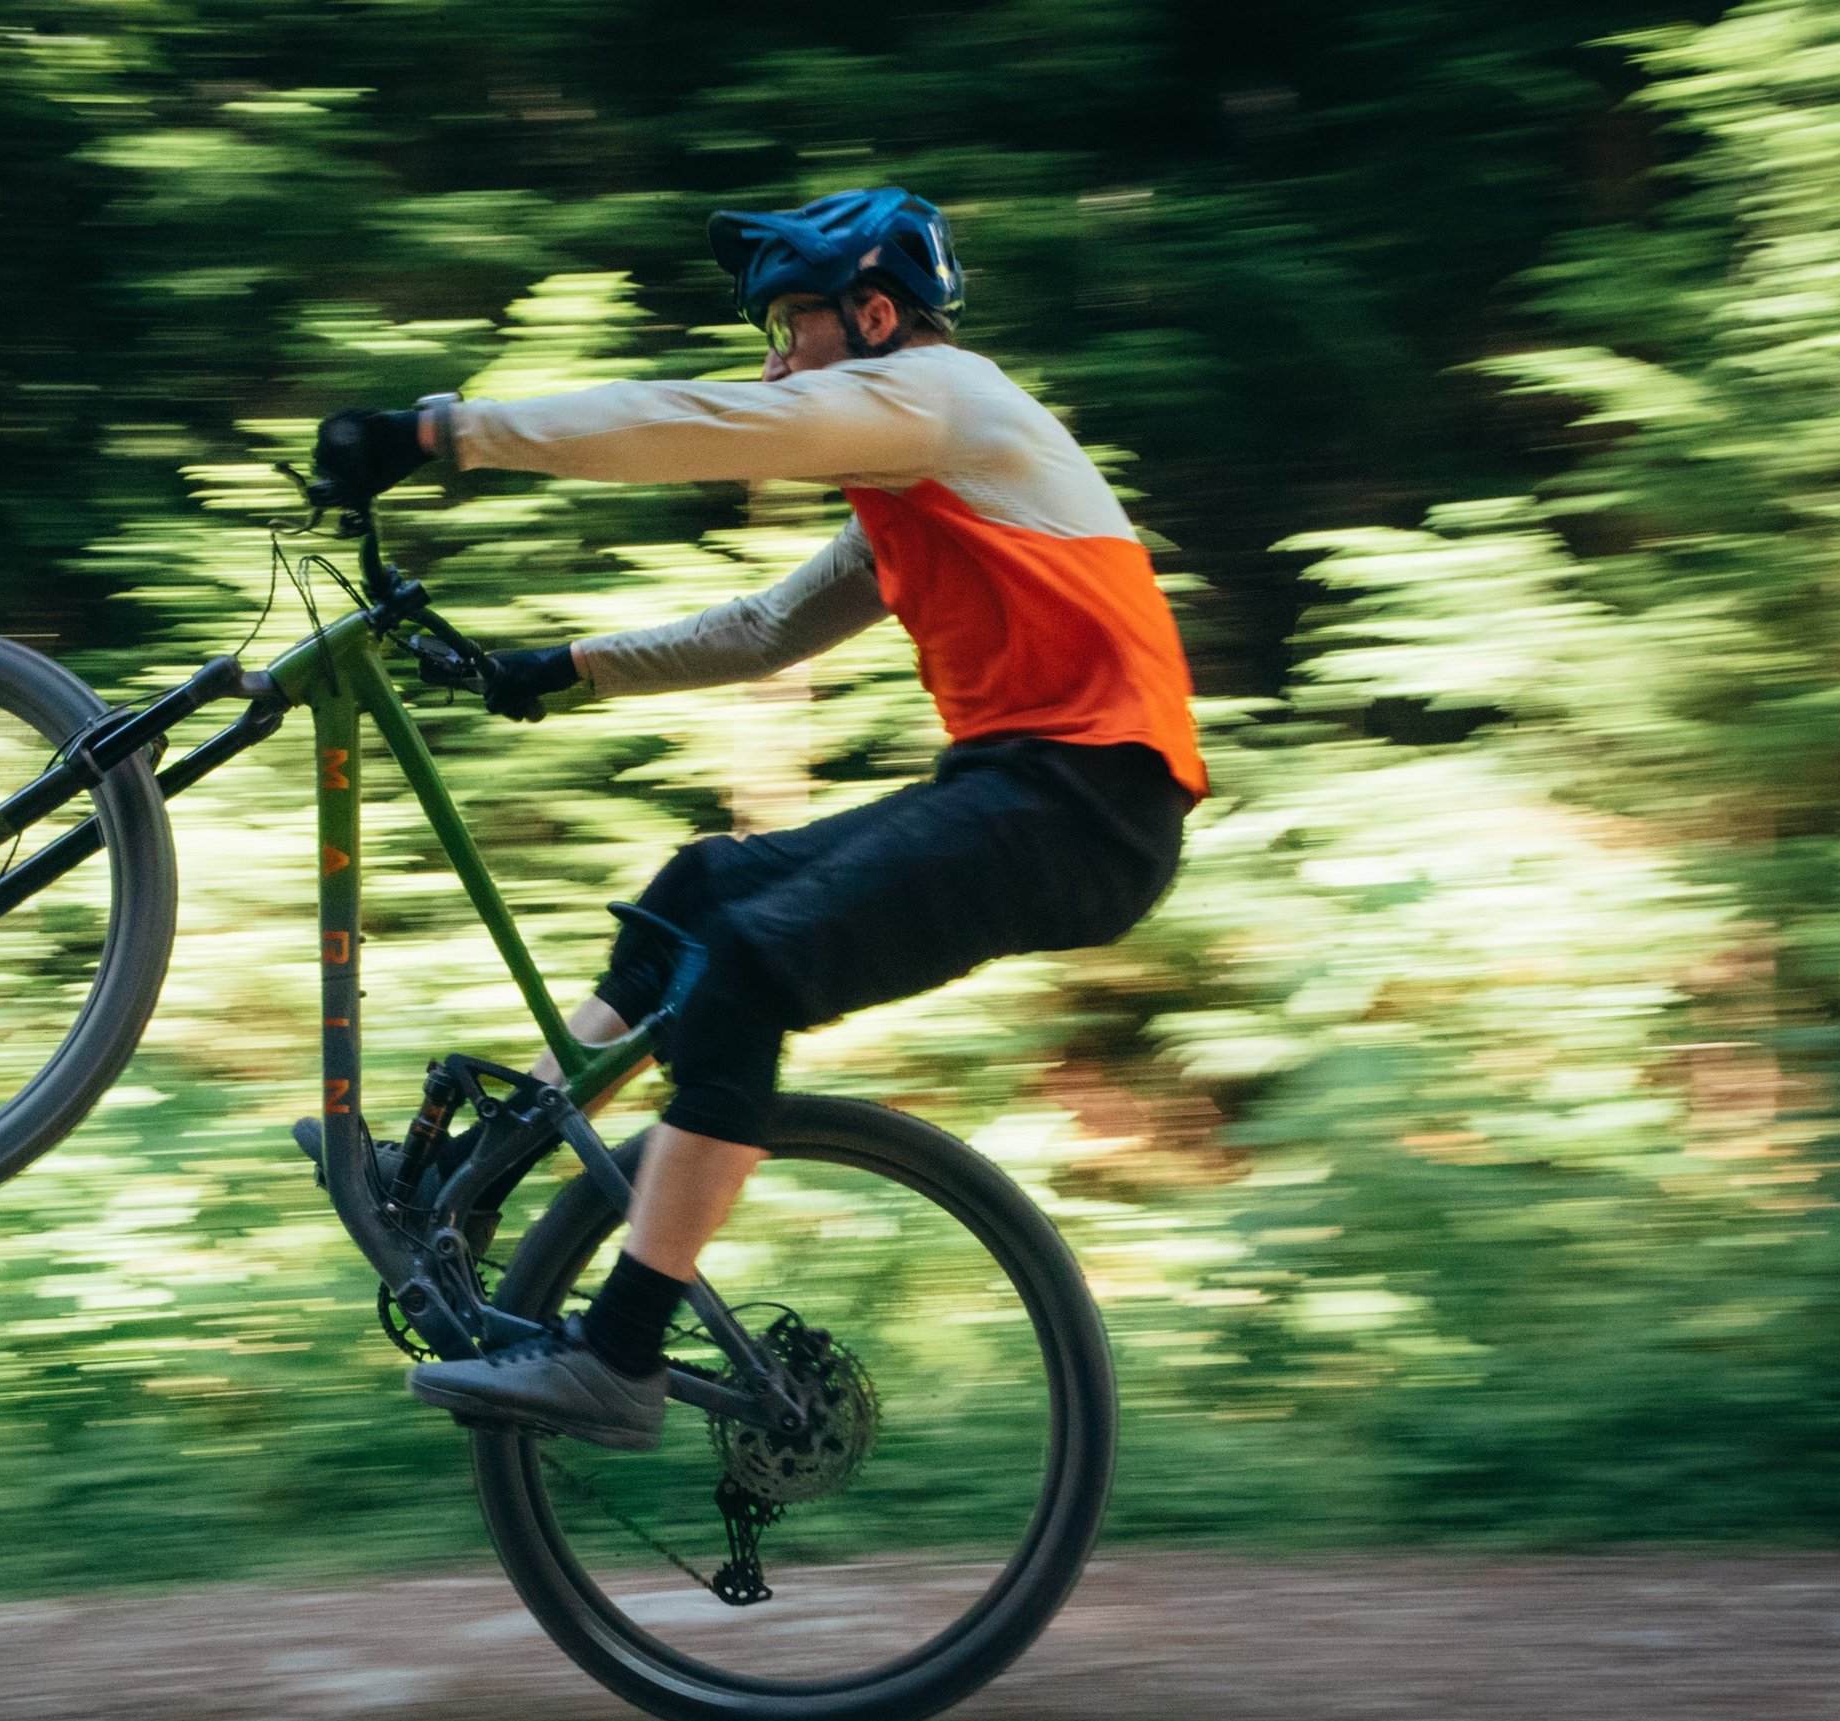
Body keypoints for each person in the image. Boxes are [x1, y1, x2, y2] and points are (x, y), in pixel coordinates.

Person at [310, 186, 1205, 1452]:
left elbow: (691, 421)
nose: (778, 365)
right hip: (1024, 791)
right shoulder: (917, 475)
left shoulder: (945, 402)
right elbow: (765, 630)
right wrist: (560, 668)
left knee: (741, 971)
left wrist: (438, 433)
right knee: (697, 893)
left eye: (792, 330)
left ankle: (617, 1356)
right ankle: (464, 1192)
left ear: (877, 315)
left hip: (1086, 806)